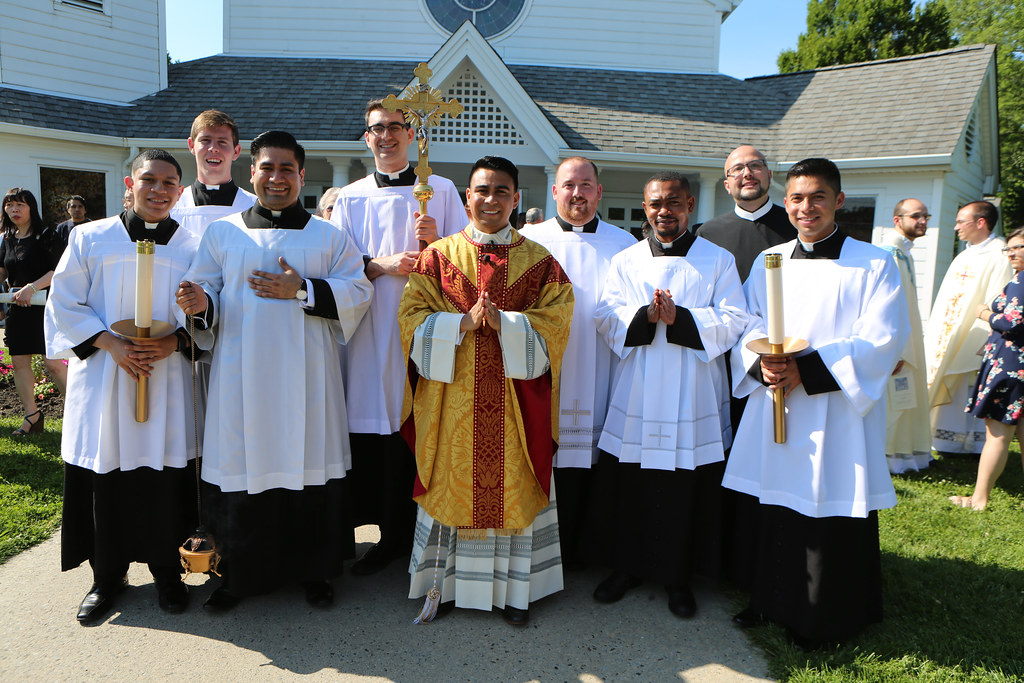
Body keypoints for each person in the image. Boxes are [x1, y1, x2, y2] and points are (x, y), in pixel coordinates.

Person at [176, 130, 372, 612]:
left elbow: (358, 292)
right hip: (241, 379)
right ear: (253, 172)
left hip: (308, 379)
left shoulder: (328, 236)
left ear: (302, 176)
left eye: (287, 169)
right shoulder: (224, 233)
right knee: (245, 473)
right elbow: (204, 292)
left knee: (308, 472)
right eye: (268, 168)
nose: (277, 178)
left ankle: (315, 573)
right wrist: (201, 304)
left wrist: (303, 290)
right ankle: (238, 577)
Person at [723, 158, 909, 649]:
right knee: (776, 501)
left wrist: (808, 367)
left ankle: (825, 614)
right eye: (798, 199)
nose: (807, 208)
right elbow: (749, 321)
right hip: (779, 400)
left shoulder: (874, 263)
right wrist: (763, 360)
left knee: (828, 507)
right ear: (787, 204)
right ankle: (770, 598)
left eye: (818, 197)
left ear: (838, 201)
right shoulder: (773, 261)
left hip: (838, 408)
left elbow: (883, 339)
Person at [398, 156, 574, 626]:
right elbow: (410, 318)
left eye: (501, 191)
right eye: (482, 190)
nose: (490, 199)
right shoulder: (437, 256)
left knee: (510, 487)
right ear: (466, 197)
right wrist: (460, 323)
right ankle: (447, 587)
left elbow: (558, 321)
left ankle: (515, 594)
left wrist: (509, 324)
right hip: (454, 400)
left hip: (514, 405)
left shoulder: (540, 262)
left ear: (516, 198)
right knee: (454, 485)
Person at [44, 149, 198, 624]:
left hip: (165, 379)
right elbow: (64, 301)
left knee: (163, 478)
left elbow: (215, 308)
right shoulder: (90, 237)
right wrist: (110, 343)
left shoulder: (193, 246)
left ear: (179, 189)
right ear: (131, 185)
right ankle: (106, 577)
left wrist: (177, 341)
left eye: (170, 182)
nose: (160, 190)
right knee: (104, 478)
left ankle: (167, 574)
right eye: (149, 180)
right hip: (107, 377)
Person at [586, 171, 746, 618]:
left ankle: (678, 578)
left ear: (690, 206)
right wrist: (643, 316)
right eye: (656, 203)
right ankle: (625, 568)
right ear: (645, 207)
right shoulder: (628, 259)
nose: (664, 211)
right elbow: (605, 314)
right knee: (632, 483)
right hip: (638, 391)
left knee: (683, 487)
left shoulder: (717, 260)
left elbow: (736, 318)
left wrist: (683, 320)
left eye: (673, 203)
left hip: (691, 392)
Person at [331, 99, 466, 576]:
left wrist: (439, 245)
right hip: (368, 328)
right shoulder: (349, 198)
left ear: (411, 135)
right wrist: (380, 264)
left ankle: (428, 537)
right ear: (365, 138)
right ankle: (388, 537)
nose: (385, 136)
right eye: (376, 129)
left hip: (428, 326)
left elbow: (468, 261)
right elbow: (337, 264)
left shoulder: (442, 191)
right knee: (378, 432)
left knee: (423, 430)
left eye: (394, 127)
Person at [519, 157, 635, 567]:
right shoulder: (528, 241)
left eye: (586, 185)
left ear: (599, 192)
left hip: (601, 365)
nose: (577, 193)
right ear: (554, 192)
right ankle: (539, 548)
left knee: (594, 458)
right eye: (569, 185)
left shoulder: (625, 245)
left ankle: (589, 549)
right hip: (544, 366)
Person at [926, 201, 1013, 455]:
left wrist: (984, 339)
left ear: (981, 223)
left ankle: (970, 445)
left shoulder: (999, 254)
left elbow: (999, 297)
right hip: (949, 335)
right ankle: (944, 441)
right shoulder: (965, 254)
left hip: (974, 338)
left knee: (965, 385)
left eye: (961, 221)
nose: (956, 228)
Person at [953, 227, 1024, 510]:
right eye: (1009, 248)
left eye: (1020, 247)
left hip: (1010, 367)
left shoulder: (1020, 282)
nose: (1012, 253)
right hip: (1014, 363)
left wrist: (985, 314)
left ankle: (979, 500)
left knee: (998, 434)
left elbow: (1012, 322)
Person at [1, 188, 67, 436]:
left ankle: (76, 411)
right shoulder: (7, 238)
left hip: (46, 307)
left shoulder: (47, 235)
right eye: (10, 206)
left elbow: (59, 269)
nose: (14, 210)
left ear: (31, 208)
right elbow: (4, 271)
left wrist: (31, 287)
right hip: (18, 309)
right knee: (19, 363)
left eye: (20, 205)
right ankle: (32, 416)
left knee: (53, 363)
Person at [881, 198, 933, 473]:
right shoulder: (890, 253)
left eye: (925, 216)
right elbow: (888, 306)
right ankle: (889, 456)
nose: (923, 221)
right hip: (898, 344)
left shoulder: (904, 251)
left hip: (909, 337)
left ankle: (905, 453)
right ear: (897, 220)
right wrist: (896, 349)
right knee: (896, 397)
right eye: (916, 216)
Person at [696, 145, 795, 281]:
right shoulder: (707, 235)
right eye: (738, 169)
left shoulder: (796, 225)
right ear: (727, 186)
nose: (747, 173)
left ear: (770, 176)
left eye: (755, 165)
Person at [170, 110, 257, 237]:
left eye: (222, 142)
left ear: (236, 151)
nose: (213, 148)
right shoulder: (173, 207)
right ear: (191, 145)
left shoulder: (254, 207)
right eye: (205, 140)